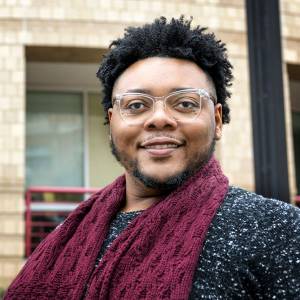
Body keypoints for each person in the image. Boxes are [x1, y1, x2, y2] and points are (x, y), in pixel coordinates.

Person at [5, 16, 300, 300]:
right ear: (111, 123)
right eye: (136, 105)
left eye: (185, 103)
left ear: (218, 120)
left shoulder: (279, 230)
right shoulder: (65, 235)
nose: (159, 119)